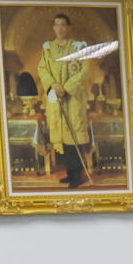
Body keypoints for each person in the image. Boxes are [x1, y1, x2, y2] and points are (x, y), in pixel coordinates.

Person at [37, 11, 94, 190]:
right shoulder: (48, 48)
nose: (59, 28)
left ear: (69, 28)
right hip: (56, 98)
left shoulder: (78, 47)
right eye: (56, 25)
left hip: (72, 98)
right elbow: (42, 69)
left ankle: (78, 176)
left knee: (73, 137)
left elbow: (84, 70)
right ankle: (70, 174)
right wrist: (53, 85)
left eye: (63, 25)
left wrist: (67, 88)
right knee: (62, 138)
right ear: (53, 28)